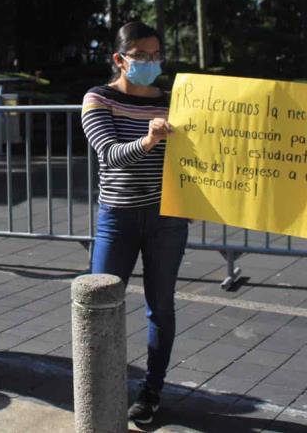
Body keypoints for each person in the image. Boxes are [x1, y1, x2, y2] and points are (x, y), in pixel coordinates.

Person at [81, 21, 188, 424]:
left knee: (161, 307)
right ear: (119, 59)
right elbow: (108, 153)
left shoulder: (176, 100)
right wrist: (148, 140)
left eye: (156, 54)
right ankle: (98, 387)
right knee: (100, 303)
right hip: (117, 218)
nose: (150, 62)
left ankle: (151, 391)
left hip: (168, 220)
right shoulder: (98, 99)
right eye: (141, 55)